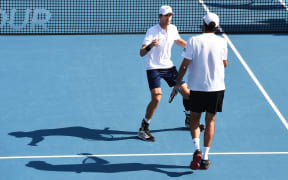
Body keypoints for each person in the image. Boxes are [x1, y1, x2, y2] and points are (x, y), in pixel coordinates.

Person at [171, 12, 228, 170]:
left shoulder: (193, 41)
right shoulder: (222, 42)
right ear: (216, 27)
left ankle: (196, 149)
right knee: (210, 122)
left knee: (195, 119)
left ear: (203, 24)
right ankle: (205, 158)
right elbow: (225, 63)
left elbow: (184, 65)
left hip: (196, 88)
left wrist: (177, 84)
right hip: (216, 89)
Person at [137, 5, 191, 142]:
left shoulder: (173, 29)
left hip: (169, 67)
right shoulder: (152, 31)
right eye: (166, 15)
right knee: (156, 98)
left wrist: (193, 48)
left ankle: (189, 119)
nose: (168, 18)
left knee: (187, 94)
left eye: (170, 15)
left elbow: (178, 41)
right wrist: (150, 46)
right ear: (160, 16)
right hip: (153, 67)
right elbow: (141, 53)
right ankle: (143, 128)